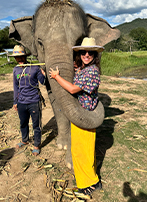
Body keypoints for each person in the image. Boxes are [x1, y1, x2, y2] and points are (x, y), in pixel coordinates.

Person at [49, 37, 104, 195]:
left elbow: (73, 89)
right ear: (79, 54)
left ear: (95, 55)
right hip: (80, 114)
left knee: (83, 150)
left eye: (90, 53)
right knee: (81, 149)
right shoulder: (85, 69)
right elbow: (77, 75)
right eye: (83, 52)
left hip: (85, 117)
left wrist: (57, 77)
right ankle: (87, 181)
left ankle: (90, 183)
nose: (87, 55)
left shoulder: (92, 71)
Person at [11, 45, 45, 156]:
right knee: (23, 123)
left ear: (25, 56)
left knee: (36, 125)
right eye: (17, 57)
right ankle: (24, 140)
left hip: (34, 101)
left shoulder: (34, 68)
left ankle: (36, 144)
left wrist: (43, 74)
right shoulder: (15, 70)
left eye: (21, 56)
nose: (20, 59)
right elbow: (16, 87)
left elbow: (43, 82)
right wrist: (15, 101)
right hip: (21, 102)